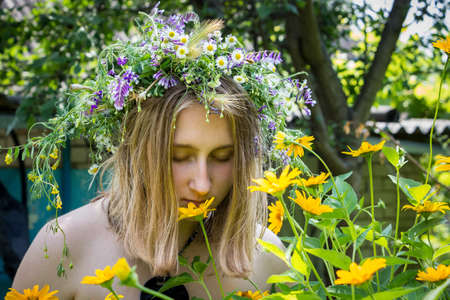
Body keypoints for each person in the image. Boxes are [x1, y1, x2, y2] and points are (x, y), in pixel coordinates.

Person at [9, 4, 315, 299]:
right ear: (137, 152)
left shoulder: (267, 258)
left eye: (223, 157)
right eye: (179, 156)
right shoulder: (65, 245)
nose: (202, 185)